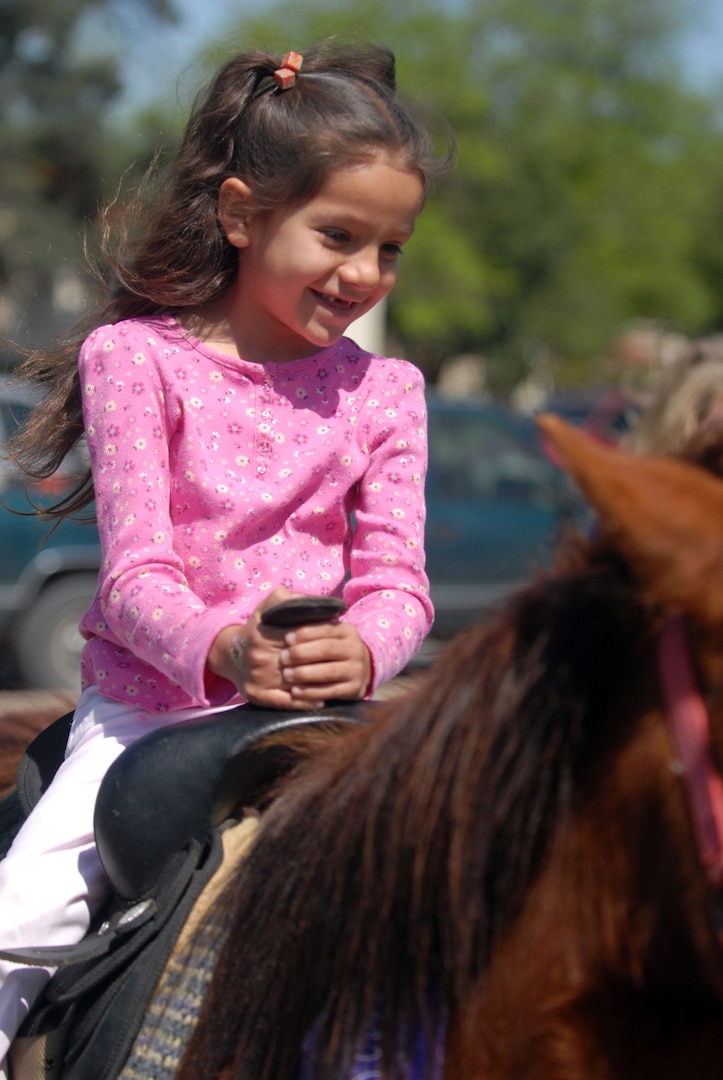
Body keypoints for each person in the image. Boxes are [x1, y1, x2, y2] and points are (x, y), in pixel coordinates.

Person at [0, 39, 454, 1071]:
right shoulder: (136, 359)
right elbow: (134, 579)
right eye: (338, 235)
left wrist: (371, 653)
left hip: (319, 716)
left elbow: (396, 581)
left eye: (390, 249)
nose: (364, 275)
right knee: (16, 924)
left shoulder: (388, 393)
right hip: (149, 711)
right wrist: (225, 649)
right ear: (245, 214)